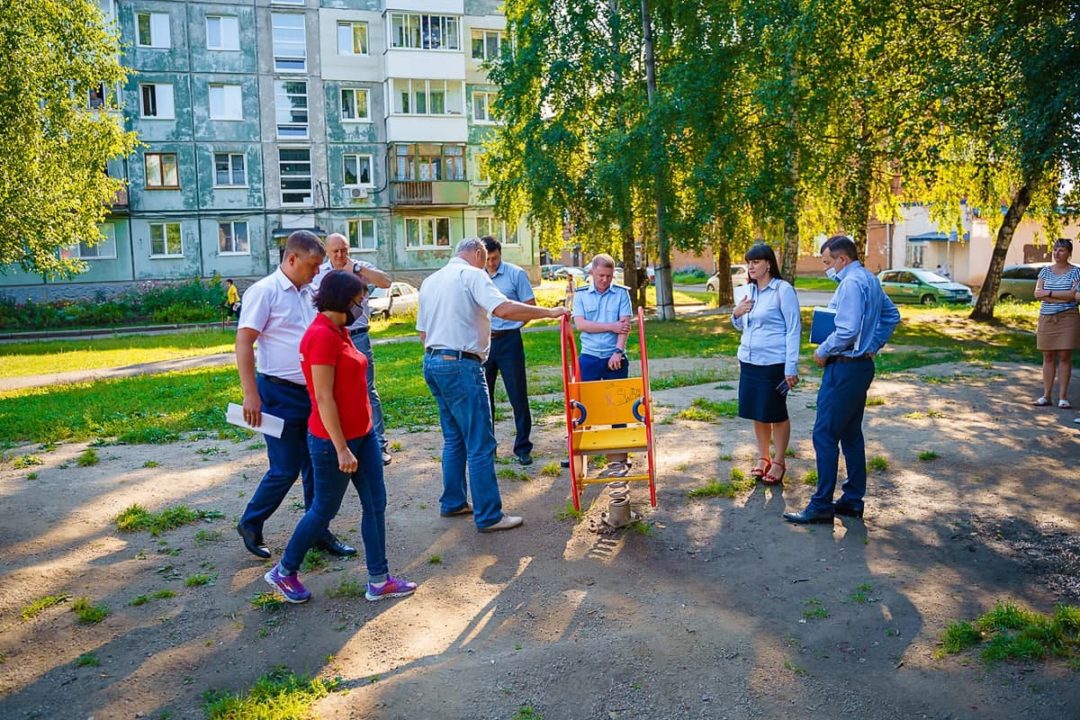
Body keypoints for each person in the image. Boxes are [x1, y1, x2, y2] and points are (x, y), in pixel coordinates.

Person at [264, 270, 416, 604]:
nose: (362, 308)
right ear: (343, 301)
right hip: (335, 443)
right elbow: (322, 398)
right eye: (359, 302)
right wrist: (342, 448)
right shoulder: (321, 336)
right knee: (323, 510)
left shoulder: (340, 331)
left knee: (376, 504)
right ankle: (284, 570)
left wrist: (363, 438)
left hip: (363, 436)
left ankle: (379, 579)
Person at [417, 238, 570, 533]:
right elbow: (503, 310)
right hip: (461, 365)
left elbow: (423, 333)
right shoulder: (472, 275)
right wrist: (550, 313)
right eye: (484, 260)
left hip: (433, 361)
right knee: (480, 442)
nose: (486, 267)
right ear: (477, 254)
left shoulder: (431, 280)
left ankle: (453, 502)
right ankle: (488, 515)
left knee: (454, 438)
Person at [235, 231, 356, 559]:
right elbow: (244, 342)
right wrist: (251, 394)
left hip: (314, 393)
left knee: (317, 464)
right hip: (277, 394)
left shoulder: (311, 290)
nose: (318, 272)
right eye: (313, 265)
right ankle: (251, 522)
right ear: (291, 259)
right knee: (285, 466)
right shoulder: (265, 292)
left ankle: (317, 530)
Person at [784, 235, 900, 524]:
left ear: (842, 259)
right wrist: (872, 346)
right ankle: (852, 499)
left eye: (827, 262)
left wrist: (823, 351)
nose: (826, 268)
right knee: (850, 434)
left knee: (824, 434)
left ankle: (821, 504)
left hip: (844, 367)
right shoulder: (870, 279)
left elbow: (847, 329)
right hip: (860, 367)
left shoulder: (850, 282)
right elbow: (891, 315)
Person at [311, 233, 394, 464]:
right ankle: (337, 443)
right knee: (329, 390)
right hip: (329, 336)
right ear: (327, 252)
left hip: (357, 336)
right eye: (335, 251)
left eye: (344, 250)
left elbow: (386, 282)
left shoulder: (359, 267)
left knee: (367, 389)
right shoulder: (320, 273)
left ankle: (378, 445)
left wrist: (357, 269)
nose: (340, 256)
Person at [731, 243, 801, 485]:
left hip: (774, 362)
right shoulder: (746, 292)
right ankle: (763, 458)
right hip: (749, 360)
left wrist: (791, 366)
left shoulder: (783, 290)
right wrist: (736, 314)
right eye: (749, 262)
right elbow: (742, 325)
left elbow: (793, 329)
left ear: (769, 264)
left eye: (756, 262)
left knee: (775, 412)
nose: (750, 266)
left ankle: (779, 461)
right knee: (757, 412)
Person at [572, 253, 634, 477]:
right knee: (584, 407)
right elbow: (581, 324)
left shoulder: (620, 294)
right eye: (600, 276)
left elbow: (624, 326)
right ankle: (581, 453)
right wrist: (611, 326)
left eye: (609, 276)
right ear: (592, 273)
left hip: (613, 357)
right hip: (589, 356)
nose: (605, 280)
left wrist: (618, 351)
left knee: (617, 409)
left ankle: (619, 458)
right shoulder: (580, 295)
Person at [481, 236, 537, 465]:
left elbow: (530, 306)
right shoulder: (477, 276)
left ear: (500, 254)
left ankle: (523, 447)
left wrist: (513, 325)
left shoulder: (515, 274)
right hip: (484, 343)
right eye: (487, 259)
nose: (491, 263)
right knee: (484, 397)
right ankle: (488, 448)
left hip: (509, 342)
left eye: (494, 258)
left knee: (517, 395)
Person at [1032, 238, 1080, 409]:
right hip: (1047, 317)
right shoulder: (1045, 271)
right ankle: (1046, 396)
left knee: (1065, 356)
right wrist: (1062, 295)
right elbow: (1037, 294)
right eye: (1055, 249)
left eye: (1061, 250)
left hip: (1068, 317)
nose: (1056, 252)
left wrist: (1050, 293)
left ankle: (1063, 397)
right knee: (1048, 356)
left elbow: (1074, 295)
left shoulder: (1076, 272)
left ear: (1069, 253)